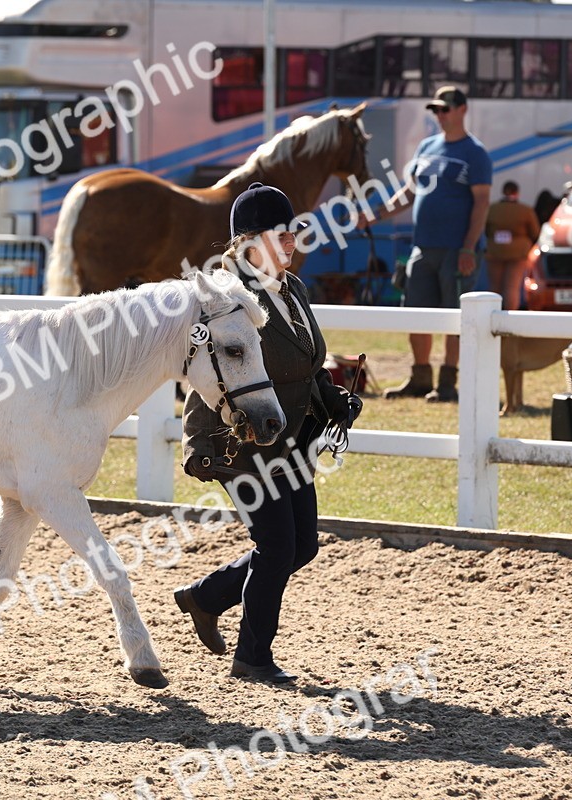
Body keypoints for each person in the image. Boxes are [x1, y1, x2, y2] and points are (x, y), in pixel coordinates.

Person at [174, 182, 363, 684]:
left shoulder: (292, 289)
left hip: (292, 439)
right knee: (277, 547)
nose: (293, 241)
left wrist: (334, 399)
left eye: (294, 232)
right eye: (283, 234)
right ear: (251, 241)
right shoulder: (225, 296)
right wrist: (200, 443)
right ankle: (252, 657)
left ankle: (206, 596)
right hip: (240, 439)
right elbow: (216, 372)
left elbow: (306, 367)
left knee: (301, 547)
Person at [358, 86, 492, 402]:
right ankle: (420, 379)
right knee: (415, 313)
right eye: (436, 110)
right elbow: (408, 193)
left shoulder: (475, 153)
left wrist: (468, 248)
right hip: (423, 248)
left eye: (445, 109)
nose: (440, 115)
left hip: (456, 251)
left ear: (462, 110)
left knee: (455, 317)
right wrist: (375, 216)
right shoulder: (427, 146)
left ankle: (447, 384)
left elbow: (482, 203)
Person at [485, 181, 540, 310]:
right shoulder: (525, 210)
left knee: (494, 287)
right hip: (518, 253)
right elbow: (535, 232)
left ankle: (492, 315)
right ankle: (509, 319)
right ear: (517, 193)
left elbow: (486, 231)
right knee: (512, 287)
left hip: (494, 251)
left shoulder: (492, 209)